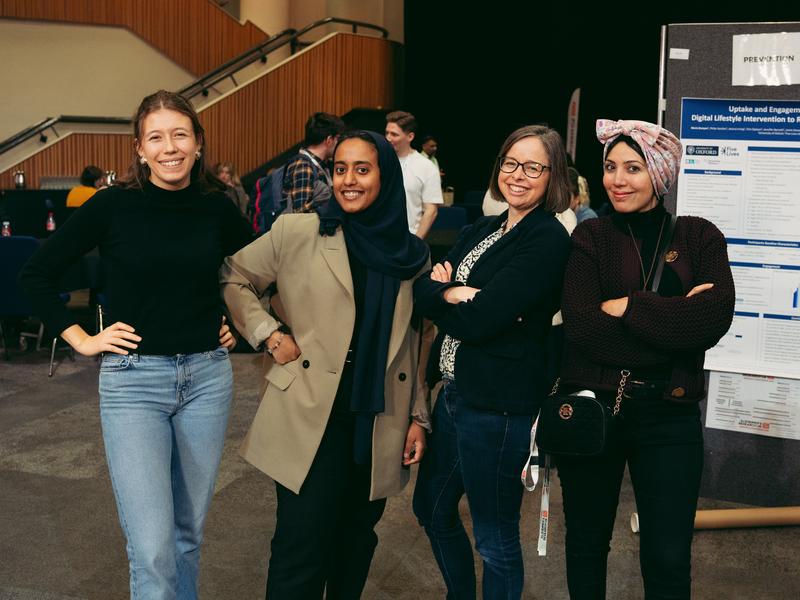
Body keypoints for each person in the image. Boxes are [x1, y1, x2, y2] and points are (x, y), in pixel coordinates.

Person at [19, 89, 251, 599]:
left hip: (207, 379)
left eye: (180, 135)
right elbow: (35, 274)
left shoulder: (216, 207)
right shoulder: (112, 206)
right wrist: (81, 339)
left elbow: (255, 273)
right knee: (152, 548)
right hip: (134, 384)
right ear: (140, 149)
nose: (170, 147)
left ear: (198, 143)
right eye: (156, 137)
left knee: (187, 537)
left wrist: (239, 321)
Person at [220, 130, 431, 598]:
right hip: (312, 409)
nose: (348, 180)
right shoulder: (300, 231)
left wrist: (418, 415)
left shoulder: (411, 255)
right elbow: (235, 276)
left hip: (379, 414)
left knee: (356, 542)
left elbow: (416, 342)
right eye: (340, 169)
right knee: (301, 546)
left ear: (385, 177)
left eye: (363, 169)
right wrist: (269, 333)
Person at [557, 119, 735, 599]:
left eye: (633, 168)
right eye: (611, 167)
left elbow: (712, 319)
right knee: (586, 546)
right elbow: (583, 328)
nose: (617, 180)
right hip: (594, 409)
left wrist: (629, 307)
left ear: (659, 174)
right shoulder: (590, 237)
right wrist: (674, 324)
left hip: (669, 415)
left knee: (669, 557)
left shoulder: (699, 237)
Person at [412, 124, 572, 599]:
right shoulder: (483, 228)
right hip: (453, 395)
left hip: (499, 408)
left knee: (494, 538)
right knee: (431, 510)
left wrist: (453, 293)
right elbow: (425, 288)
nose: (518, 175)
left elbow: (481, 320)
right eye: (510, 163)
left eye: (533, 167)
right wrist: (452, 293)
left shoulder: (547, 239)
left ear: (553, 176)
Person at [385, 111, 443, 239]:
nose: (388, 138)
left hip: (407, 238)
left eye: (394, 134)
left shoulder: (426, 166)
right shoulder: (379, 161)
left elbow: (431, 210)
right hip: (377, 238)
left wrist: (416, 242)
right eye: (387, 133)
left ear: (410, 137)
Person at [282, 111, 345, 212]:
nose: (340, 144)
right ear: (329, 140)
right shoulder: (303, 164)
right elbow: (300, 211)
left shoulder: (323, 165)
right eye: (338, 139)